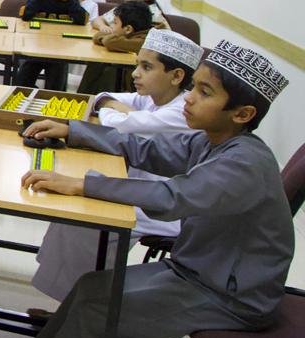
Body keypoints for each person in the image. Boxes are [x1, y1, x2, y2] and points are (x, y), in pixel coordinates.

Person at [0, 40, 291, 338]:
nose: (190, 99)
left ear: (243, 114)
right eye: (194, 87)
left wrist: (82, 184)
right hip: (198, 272)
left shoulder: (244, 163)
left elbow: (171, 198)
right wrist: (74, 130)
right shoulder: (211, 141)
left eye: (204, 92)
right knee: (91, 287)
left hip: (231, 296)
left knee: (100, 310)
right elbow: (145, 148)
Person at [32, 30, 201, 303]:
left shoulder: (181, 112)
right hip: (137, 185)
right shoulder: (153, 98)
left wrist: (121, 114)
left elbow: (119, 126)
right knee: (74, 211)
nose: (135, 74)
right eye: (137, 65)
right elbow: (101, 96)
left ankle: (82, 305)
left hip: (162, 206)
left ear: (177, 76)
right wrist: (120, 110)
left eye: (146, 67)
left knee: (86, 217)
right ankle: (70, 303)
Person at [13, 0, 89, 88]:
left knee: (55, 86)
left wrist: (67, 0)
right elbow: (25, 16)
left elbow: (82, 20)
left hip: (60, 50)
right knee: (22, 82)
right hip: (37, 47)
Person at [77, 0, 153, 94]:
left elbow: (110, 42)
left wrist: (107, 37)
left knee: (107, 69)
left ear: (128, 29)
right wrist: (108, 36)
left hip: (137, 89)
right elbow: (97, 36)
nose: (112, 26)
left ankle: (88, 97)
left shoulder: (144, 41)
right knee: (98, 64)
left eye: (115, 23)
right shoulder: (130, 35)